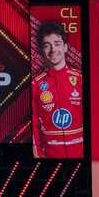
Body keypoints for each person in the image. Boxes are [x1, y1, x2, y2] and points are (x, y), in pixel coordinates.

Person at [31, 22, 84, 158]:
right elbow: (34, 128)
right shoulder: (36, 84)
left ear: (65, 47)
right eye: (46, 45)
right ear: (41, 51)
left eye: (57, 43)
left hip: (82, 159)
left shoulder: (81, 78)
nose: (53, 49)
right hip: (50, 161)